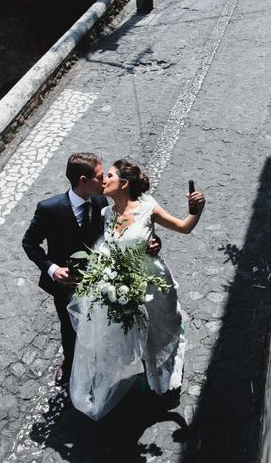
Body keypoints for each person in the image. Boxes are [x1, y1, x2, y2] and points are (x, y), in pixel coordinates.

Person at [66, 159, 206, 420]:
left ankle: (160, 373)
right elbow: (105, 248)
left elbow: (184, 227)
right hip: (120, 285)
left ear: (124, 183)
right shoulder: (106, 213)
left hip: (153, 283)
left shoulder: (147, 208)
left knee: (158, 330)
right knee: (130, 334)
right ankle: (143, 372)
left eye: (109, 175)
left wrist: (195, 211)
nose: (103, 181)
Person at [22, 153, 159, 386]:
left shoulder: (100, 203)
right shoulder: (49, 208)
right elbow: (29, 243)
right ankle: (69, 363)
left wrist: (152, 242)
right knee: (69, 327)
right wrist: (52, 269)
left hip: (102, 280)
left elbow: (119, 233)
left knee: (101, 323)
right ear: (83, 180)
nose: (104, 181)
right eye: (99, 176)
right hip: (66, 285)